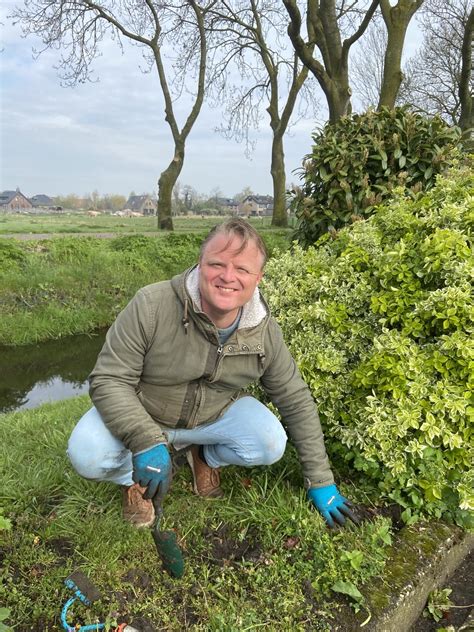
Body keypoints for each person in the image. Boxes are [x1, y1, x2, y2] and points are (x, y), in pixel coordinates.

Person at [68, 218, 357, 529]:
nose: (228, 277)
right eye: (217, 263)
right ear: (200, 263)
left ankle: (204, 457)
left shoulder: (264, 332)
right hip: (147, 410)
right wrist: (143, 439)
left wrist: (321, 481)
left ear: (258, 278)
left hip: (212, 416)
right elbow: (109, 379)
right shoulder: (151, 305)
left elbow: (296, 400)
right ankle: (135, 480)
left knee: (271, 442)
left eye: (243, 269)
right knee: (86, 453)